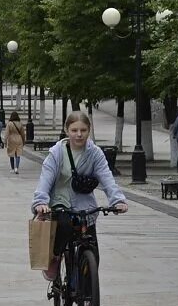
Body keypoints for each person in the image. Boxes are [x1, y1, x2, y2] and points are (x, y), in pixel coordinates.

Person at [32, 111, 128, 287]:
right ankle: (55, 256)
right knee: (65, 226)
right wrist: (41, 202)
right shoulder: (57, 153)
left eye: (83, 130)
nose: (79, 134)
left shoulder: (95, 153)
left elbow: (106, 177)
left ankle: (89, 300)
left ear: (89, 130)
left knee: (93, 252)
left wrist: (117, 200)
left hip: (84, 205)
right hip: (60, 202)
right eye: (74, 130)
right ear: (66, 130)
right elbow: (45, 180)